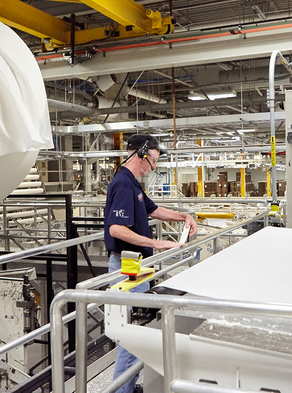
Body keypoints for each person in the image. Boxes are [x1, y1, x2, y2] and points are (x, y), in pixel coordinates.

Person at [104, 134, 197, 393]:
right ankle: (122, 390)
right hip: (127, 265)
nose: (153, 168)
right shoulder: (123, 183)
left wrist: (183, 216)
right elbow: (116, 229)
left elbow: (153, 209)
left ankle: (127, 386)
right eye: (153, 162)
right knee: (136, 331)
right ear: (141, 154)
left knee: (139, 327)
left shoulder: (133, 183)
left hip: (136, 264)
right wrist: (157, 244)